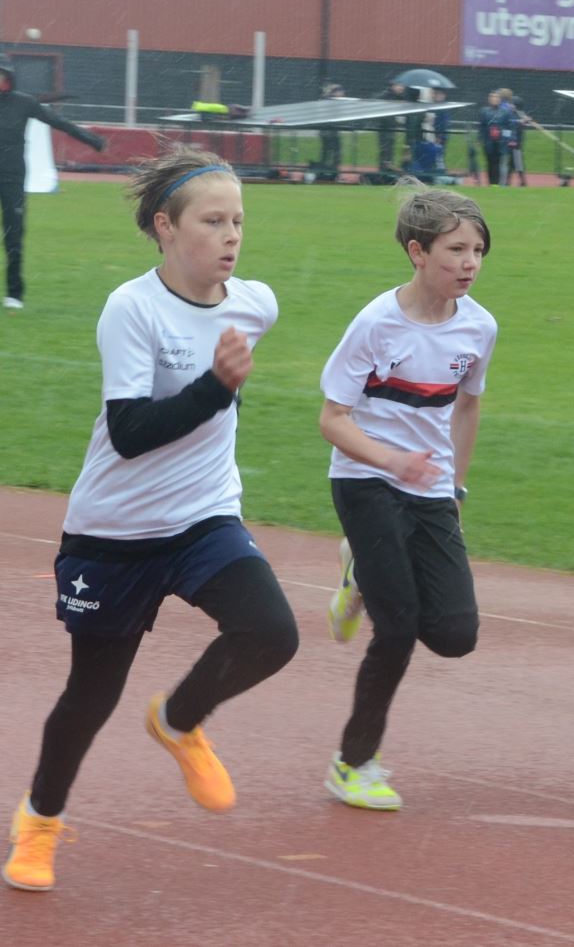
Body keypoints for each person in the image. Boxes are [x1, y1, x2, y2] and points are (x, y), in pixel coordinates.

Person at [3, 148, 299, 892]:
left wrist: (220, 392)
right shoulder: (131, 308)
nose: (231, 236)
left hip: (203, 516)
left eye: (238, 220)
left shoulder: (256, 304)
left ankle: (178, 718)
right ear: (166, 227)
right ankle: (39, 822)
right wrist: (217, 387)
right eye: (213, 221)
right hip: (114, 529)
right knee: (91, 695)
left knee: (271, 631)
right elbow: (131, 432)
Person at [318, 181, 497, 810]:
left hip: (431, 487)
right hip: (365, 478)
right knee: (397, 628)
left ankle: (359, 571)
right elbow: (332, 419)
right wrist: (392, 460)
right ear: (418, 252)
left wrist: (455, 487)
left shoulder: (479, 328)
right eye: (456, 250)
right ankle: (353, 764)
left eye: (478, 251)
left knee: (454, 633)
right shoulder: (376, 324)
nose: (470, 264)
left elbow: (468, 406)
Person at [0, 59, 107, 309]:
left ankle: (14, 294)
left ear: (8, 77)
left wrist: (92, 140)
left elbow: (60, 123)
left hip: (12, 178)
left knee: (14, 237)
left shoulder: (24, 103)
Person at [314, 82, 344, 181]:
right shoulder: (327, 102)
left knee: (334, 153)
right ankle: (326, 172)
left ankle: (332, 172)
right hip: (327, 132)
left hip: (332, 132)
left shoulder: (335, 102)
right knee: (328, 152)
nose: (342, 93)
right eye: (339, 92)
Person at [477, 90, 503, 186]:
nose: (494, 99)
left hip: (500, 141)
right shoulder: (484, 112)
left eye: (496, 97)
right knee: (489, 162)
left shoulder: (504, 112)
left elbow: (507, 125)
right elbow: (481, 126)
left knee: (498, 162)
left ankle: (497, 182)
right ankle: (491, 182)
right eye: (492, 97)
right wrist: (479, 139)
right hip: (488, 141)